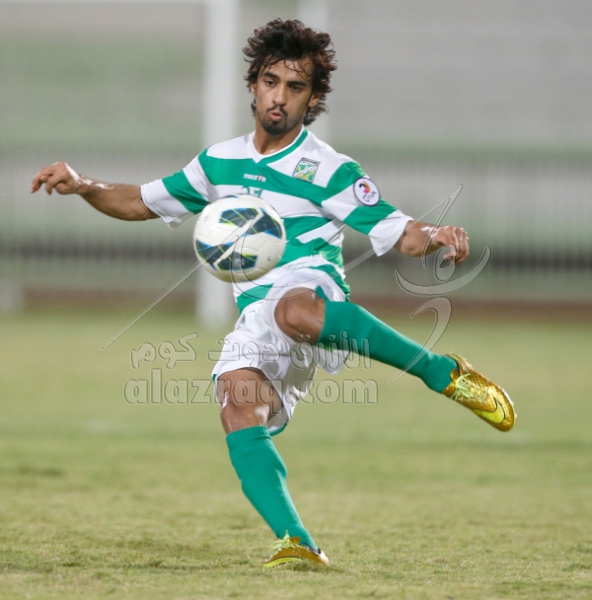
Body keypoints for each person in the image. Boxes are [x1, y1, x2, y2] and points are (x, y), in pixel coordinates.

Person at [31, 19, 515, 568]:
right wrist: (83, 185)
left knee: (292, 309)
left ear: (313, 98)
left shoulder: (330, 169)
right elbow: (141, 201)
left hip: (312, 292)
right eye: (270, 82)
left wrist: (437, 235)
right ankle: (298, 542)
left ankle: (442, 373)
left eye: (295, 86)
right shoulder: (218, 162)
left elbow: (399, 231)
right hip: (256, 315)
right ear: (253, 85)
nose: (279, 96)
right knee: (238, 403)